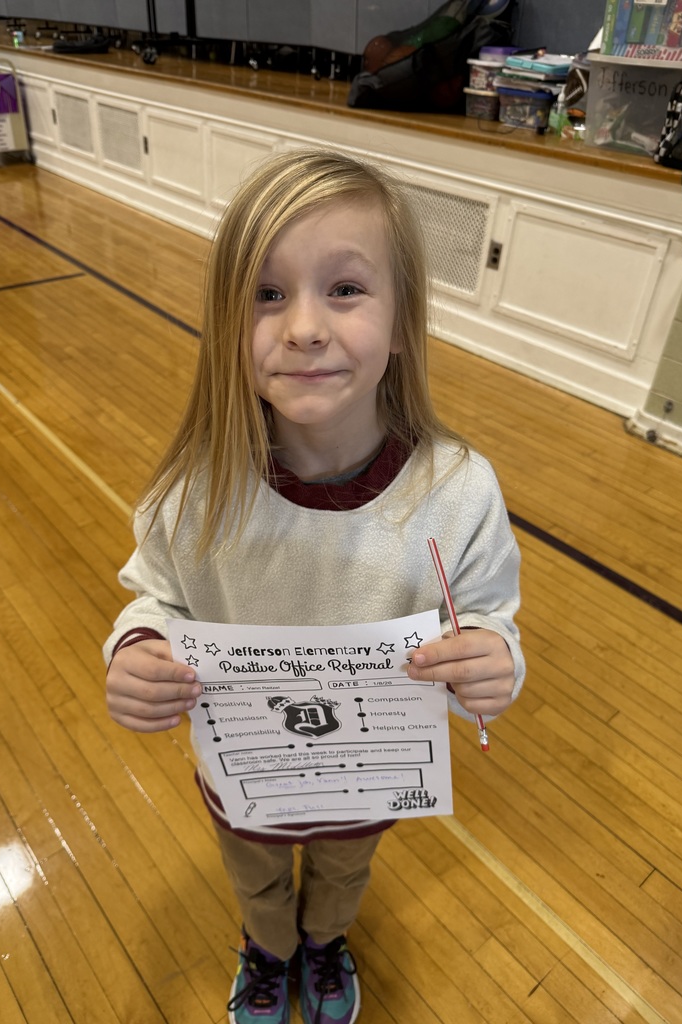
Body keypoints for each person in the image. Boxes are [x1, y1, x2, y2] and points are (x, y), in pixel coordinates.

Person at [104, 149, 524, 1024]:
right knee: (256, 878)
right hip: (245, 773)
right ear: (228, 324)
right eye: (266, 294)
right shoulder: (195, 489)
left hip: (368, 780)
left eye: (344, 289)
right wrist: (138, 646)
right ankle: (270, 952)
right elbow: (156, 595)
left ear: (403, 320)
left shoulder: (461, 490)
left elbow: (484, 617)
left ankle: (326, 944)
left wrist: (494, 662)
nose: (302, 327)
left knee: (343, 871)